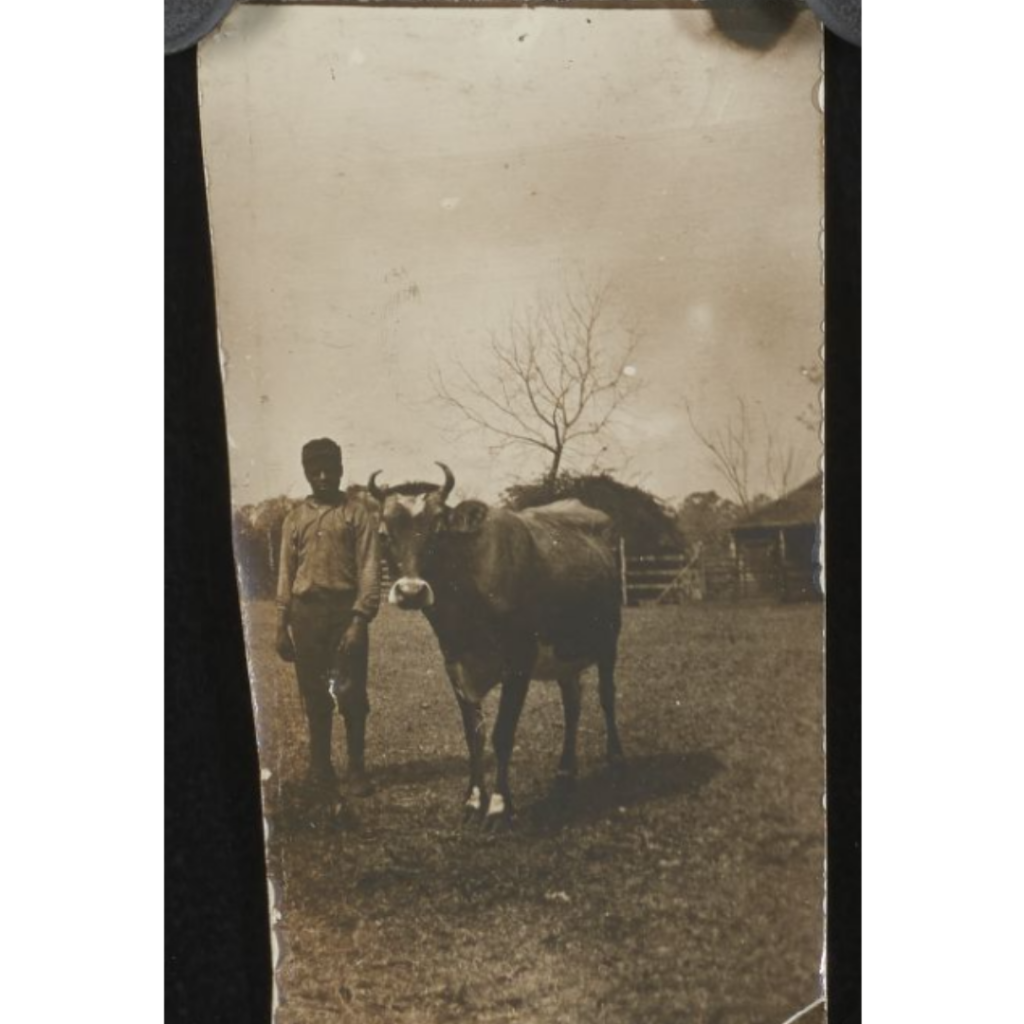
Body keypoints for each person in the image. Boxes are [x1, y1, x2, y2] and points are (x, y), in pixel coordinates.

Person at [275, 438, 381, 796]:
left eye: (330, 469)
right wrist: (281, 626)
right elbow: (286, 575)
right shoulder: (295, 519)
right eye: (314, 469)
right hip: (306, 615)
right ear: (305, 471)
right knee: (314, 691)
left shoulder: (356, 514)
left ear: (340, 469)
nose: (323, 476)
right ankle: (320, 769)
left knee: (351, 692)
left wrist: (359, 620)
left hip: (345, 612)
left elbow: (369, 569)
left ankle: (356, 770)